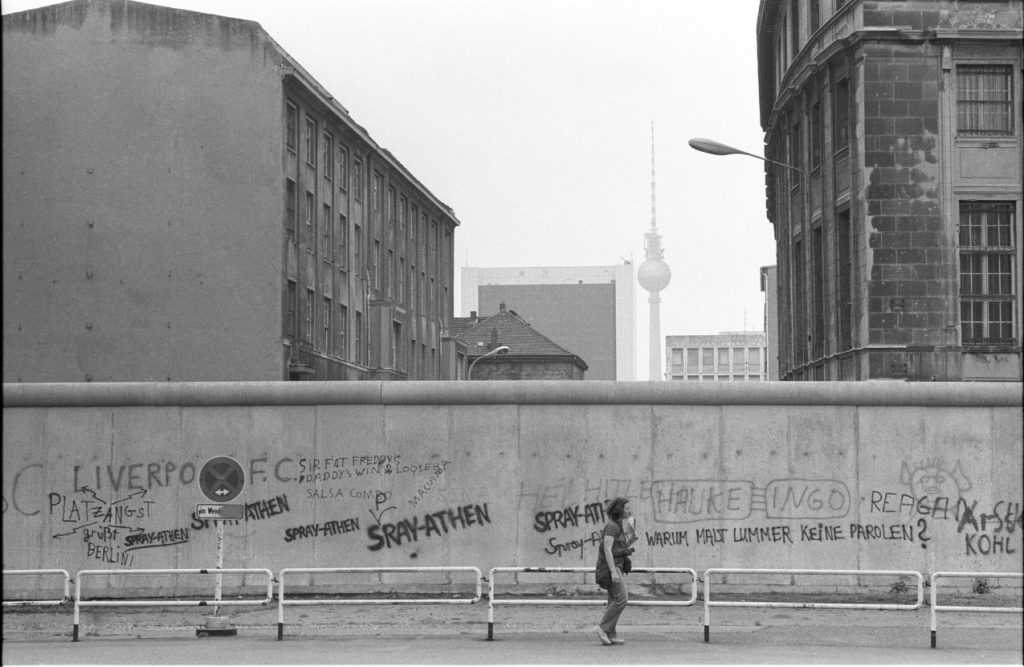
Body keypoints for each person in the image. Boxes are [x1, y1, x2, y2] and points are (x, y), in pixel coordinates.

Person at [593, 497, 634, 646]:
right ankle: (602, 628)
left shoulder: (621, 525)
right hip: (612, 567)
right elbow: (607, 549)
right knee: (622, 599)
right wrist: (613, 572)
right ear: (619, 510)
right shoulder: (611, 527)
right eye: (627, 508)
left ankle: (611, 634)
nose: (630, 510)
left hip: (618, 566)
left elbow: (624, 544)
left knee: (613, 601)